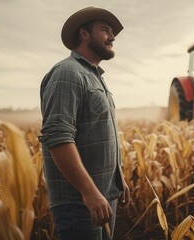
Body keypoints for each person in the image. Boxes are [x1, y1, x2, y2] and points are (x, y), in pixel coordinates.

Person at [39, 6, 130, 240]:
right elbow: (58, 137)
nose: (112, 37)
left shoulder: (94, 76)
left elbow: (97, 133)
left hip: (102, 197)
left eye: (112, 32)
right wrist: (89, 193)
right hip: (79, 203)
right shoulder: (67, 73)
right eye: (104, 30)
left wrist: (117, 180)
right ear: (84, 34)